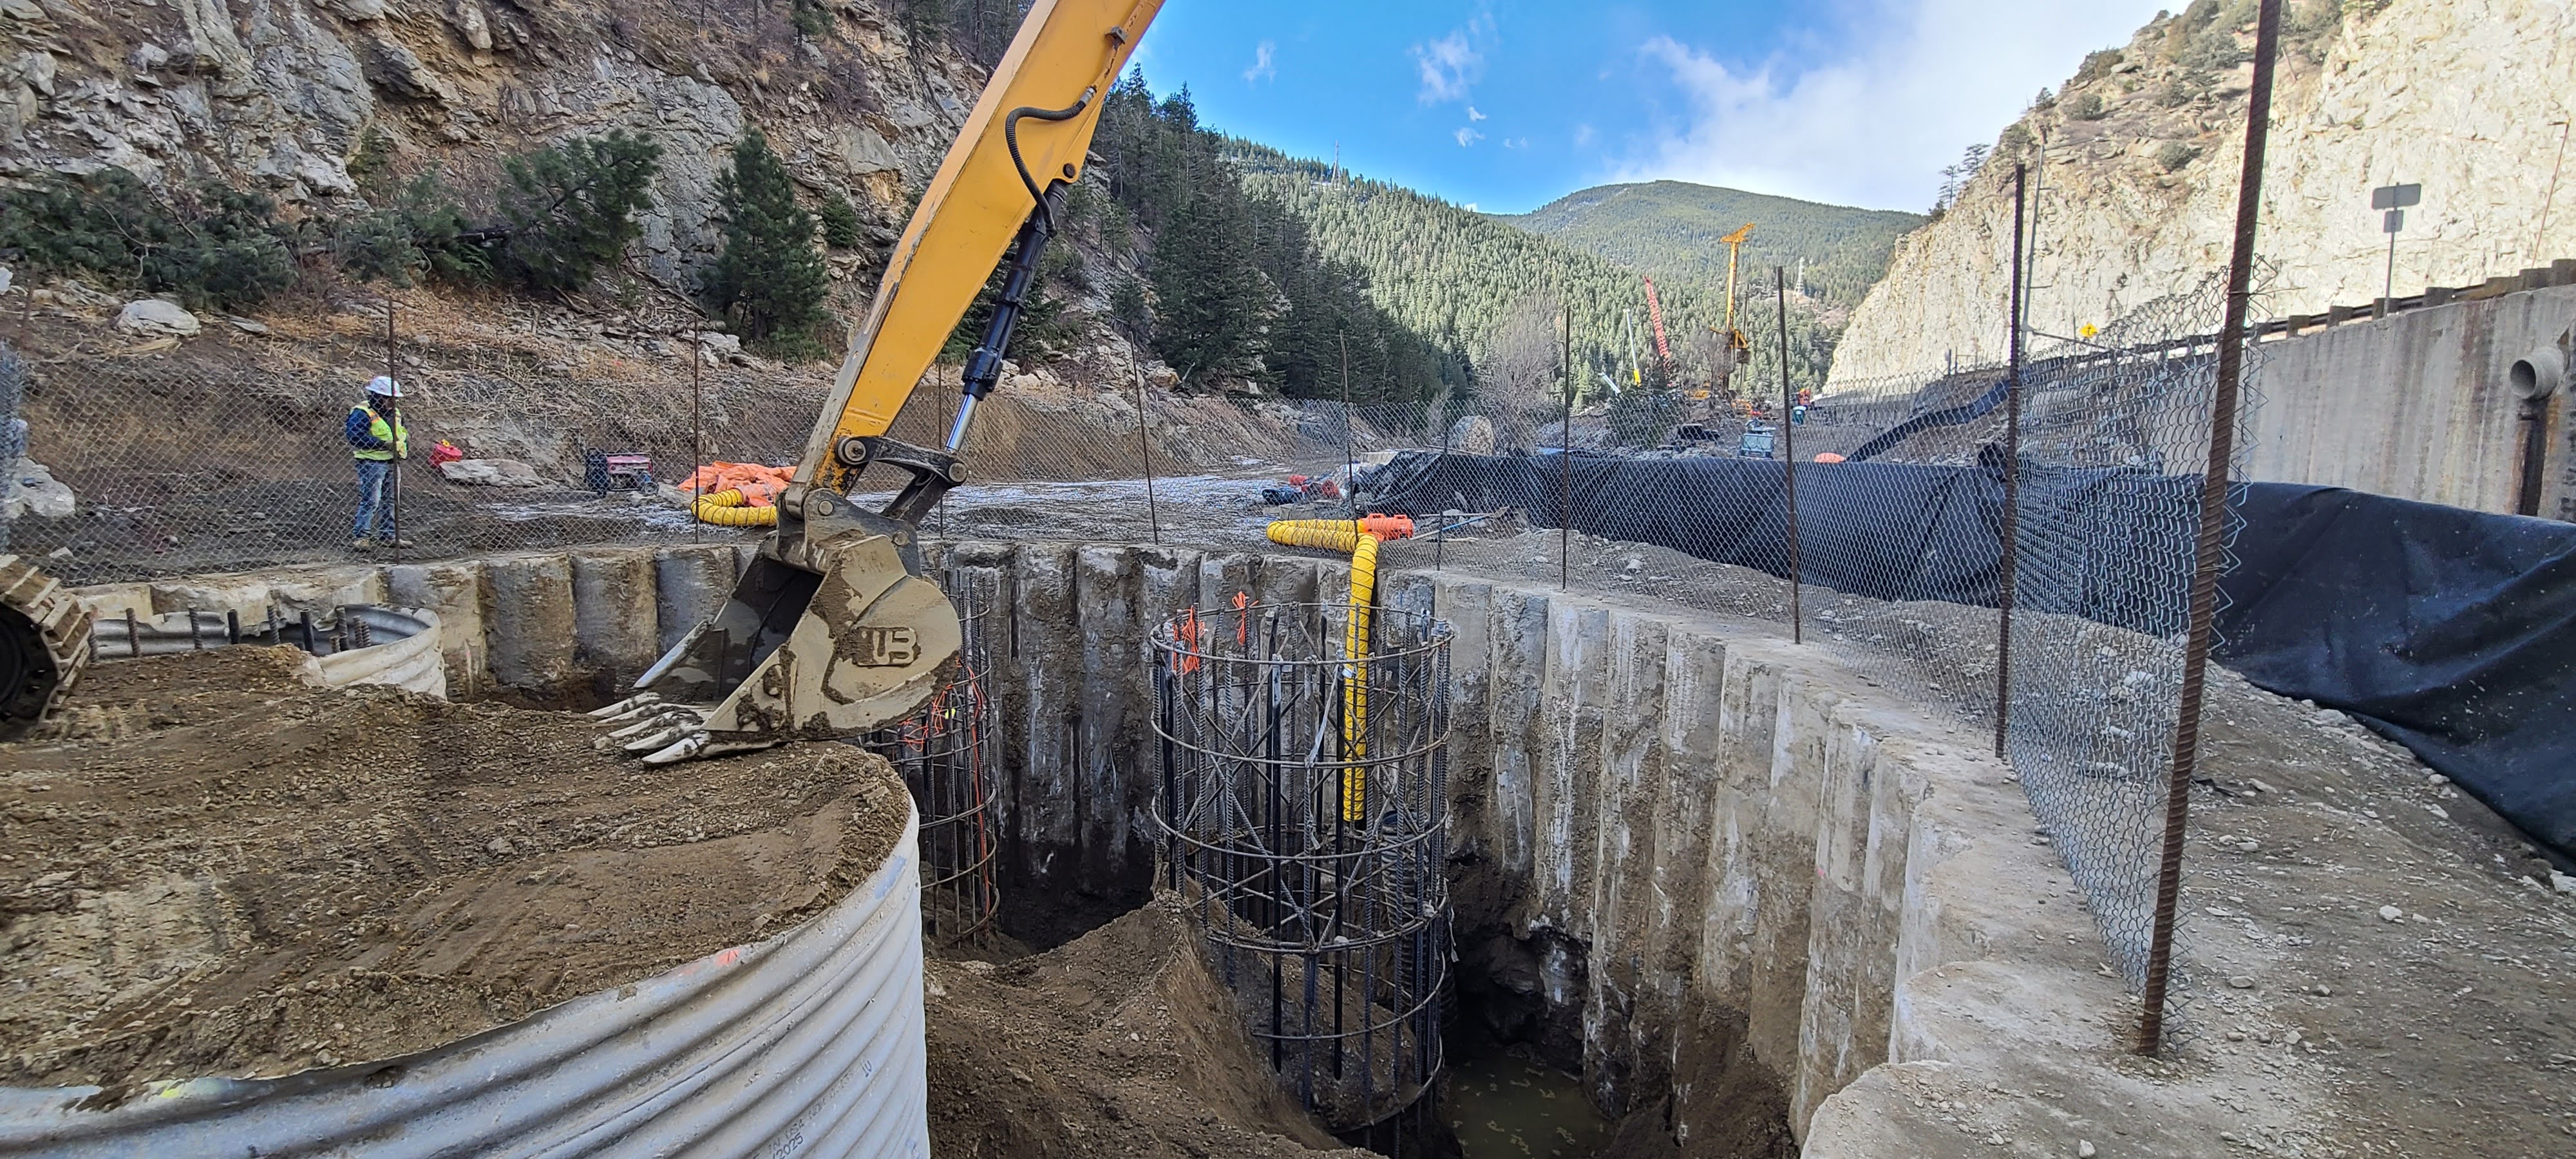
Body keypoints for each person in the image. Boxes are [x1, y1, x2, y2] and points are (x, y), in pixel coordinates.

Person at [346, 376, 414, 549]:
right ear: (376, 396)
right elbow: (355, 437)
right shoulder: (362, 412)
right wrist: (381, 444)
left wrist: (401, 448)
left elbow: (402, 433)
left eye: (394, 399)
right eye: (388, 398)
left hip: (392, 460)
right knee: (371, 500)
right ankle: (362, 536)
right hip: (371, 462)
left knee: (392, 500)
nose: (392, 402)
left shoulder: (396, 414)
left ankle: (388, 535)